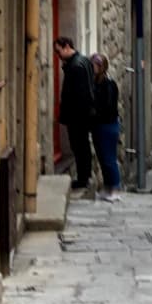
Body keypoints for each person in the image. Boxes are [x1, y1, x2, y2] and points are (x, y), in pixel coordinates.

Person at [54, 36, 94, 192]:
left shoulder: (76, 66)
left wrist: (71, 116)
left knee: (79, 146)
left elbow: (78, 95)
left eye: (58, 51)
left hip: (78, 117)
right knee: (82, 146)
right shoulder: (83, 61)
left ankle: (83, 178)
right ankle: (85, 176)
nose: (57, 56)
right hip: (83, 115)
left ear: (66, 47)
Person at [91, 52, 121, 202]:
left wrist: (95, 113)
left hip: (108, 125)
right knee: (103, 158)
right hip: (98, 125)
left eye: (95, 65)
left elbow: (108, 107)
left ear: (101, 67)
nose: (93, 67)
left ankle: (115, 188)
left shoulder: (109, 85)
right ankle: (107, 187)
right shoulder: (94, 83)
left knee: (109, 158)